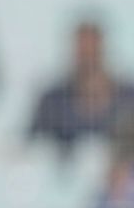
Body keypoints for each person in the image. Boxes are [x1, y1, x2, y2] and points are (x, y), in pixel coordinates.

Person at [28, 21, 134, 156]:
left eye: (92, 51)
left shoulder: (128, 98)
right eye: (83, 52)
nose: (88, 58)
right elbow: (33, 148)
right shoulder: (53, 101)